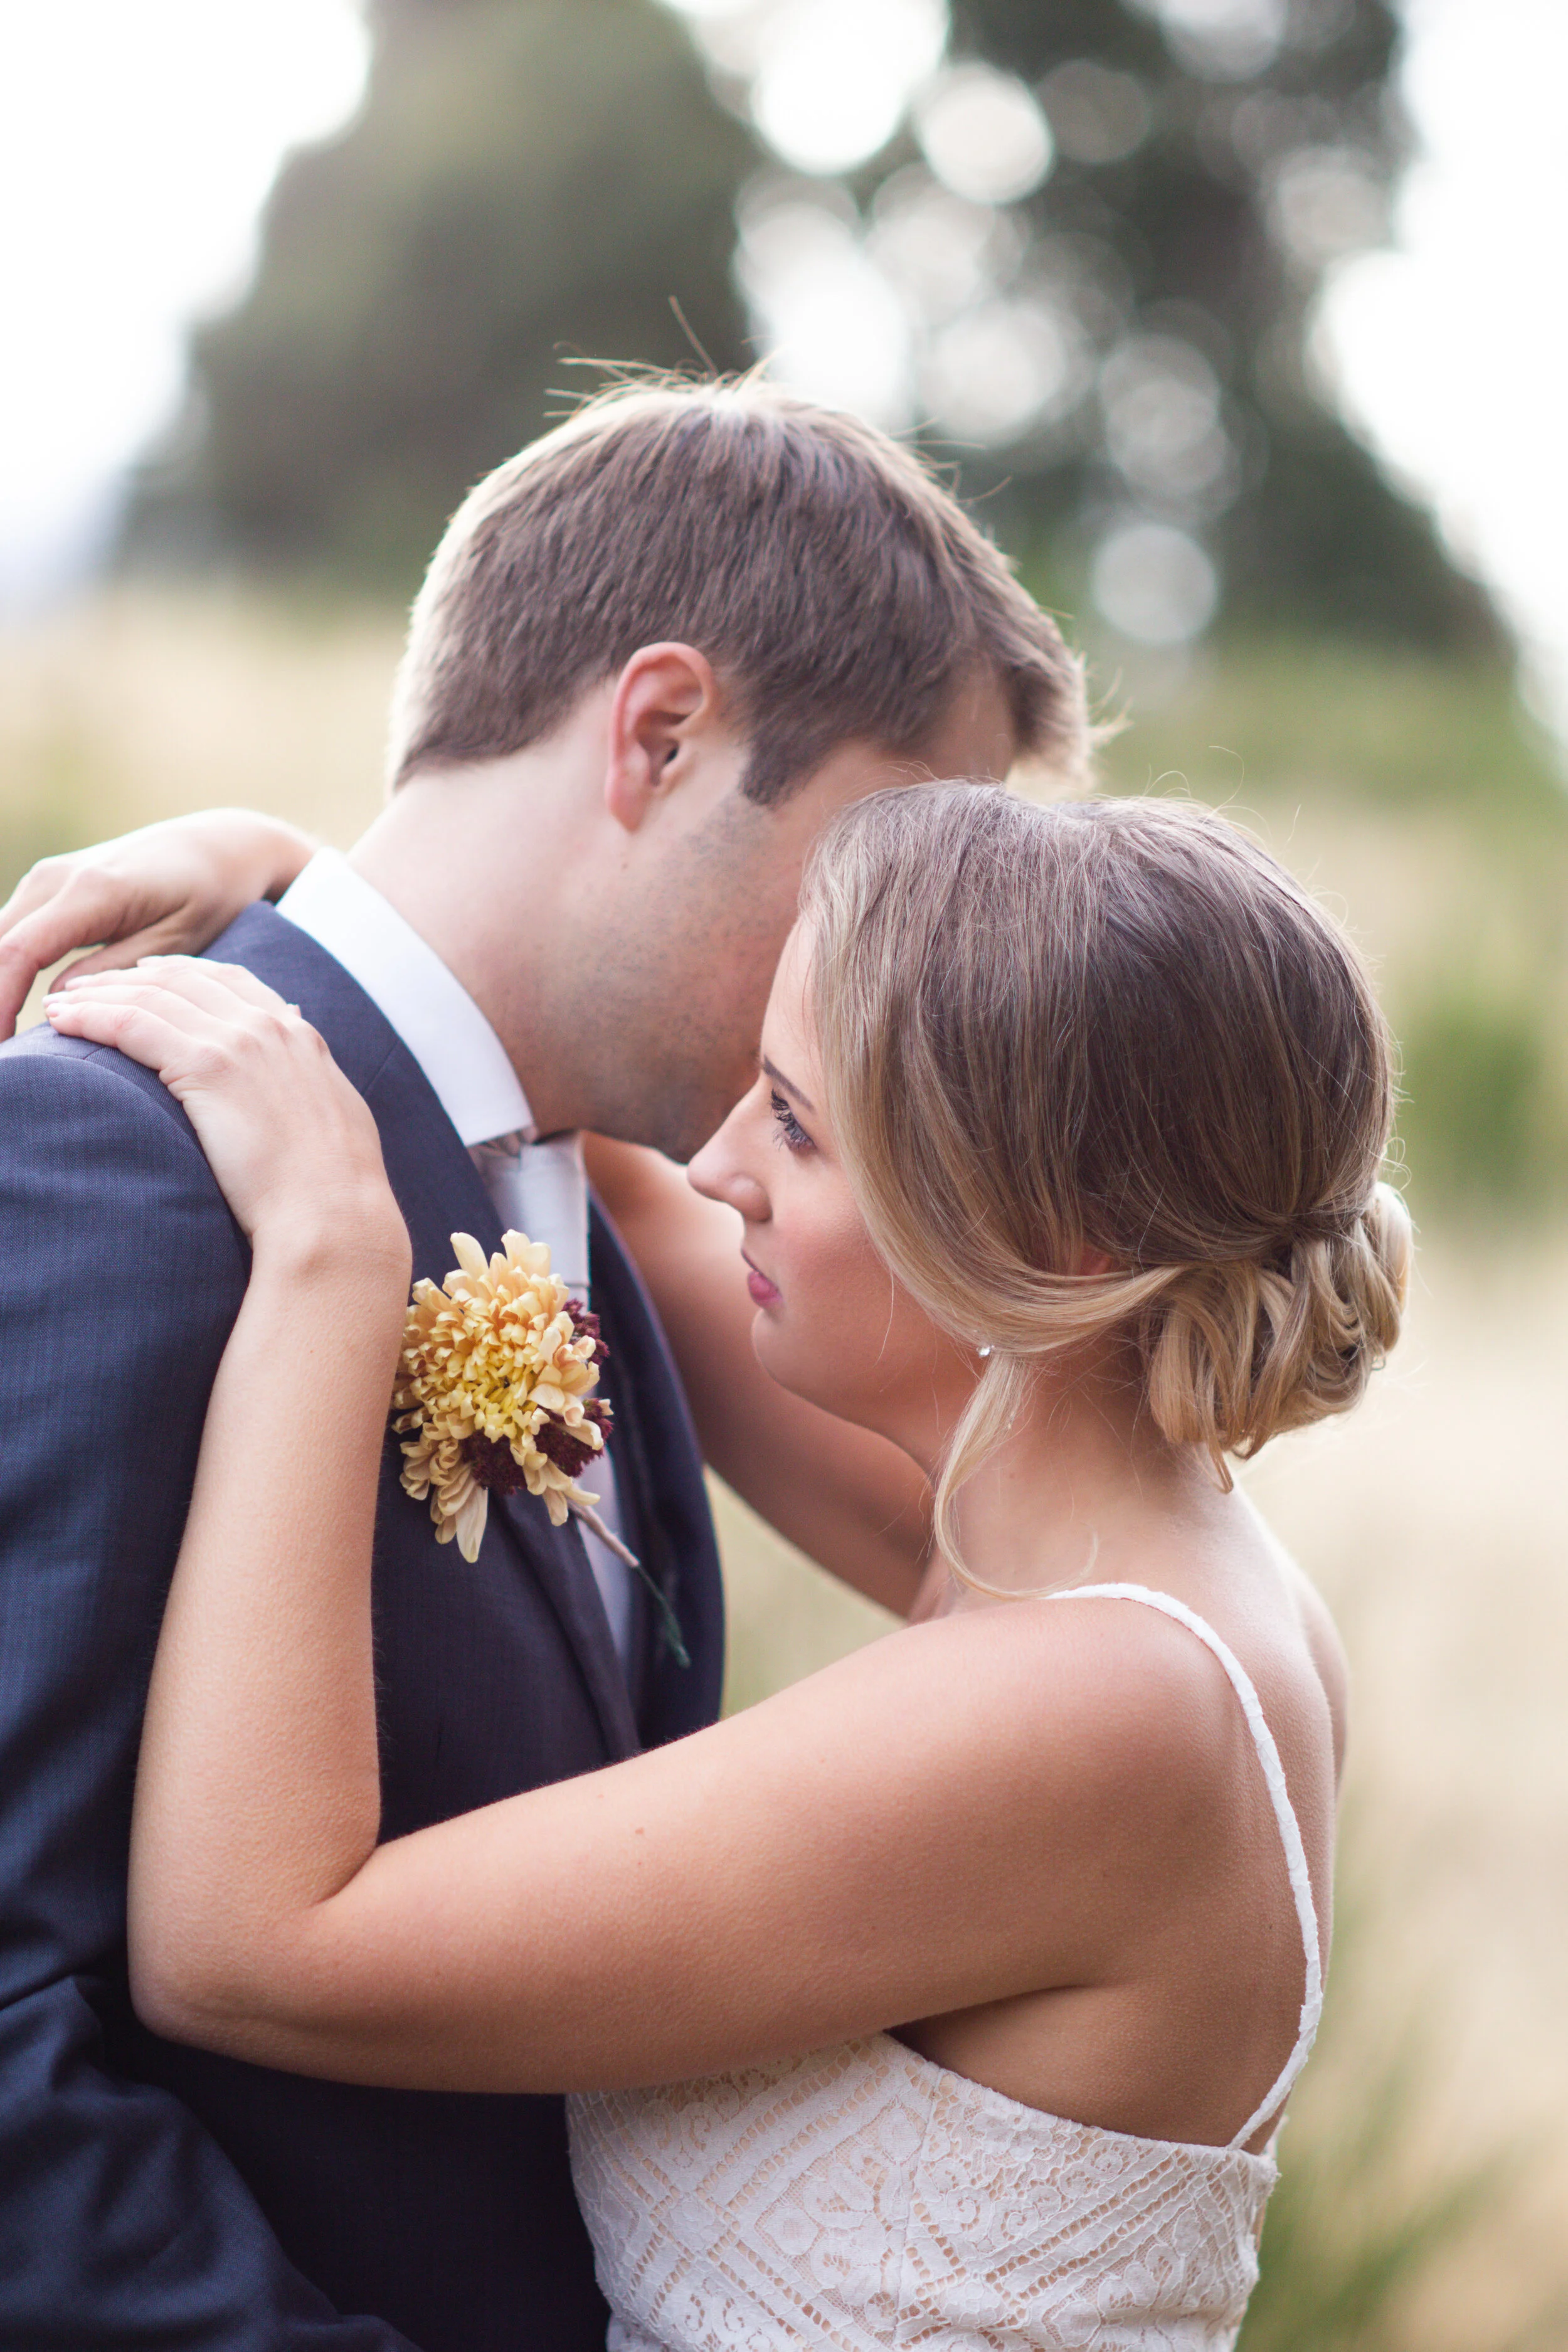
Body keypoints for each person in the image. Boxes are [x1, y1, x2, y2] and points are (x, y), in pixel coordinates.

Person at [38, 784, 1408, 2351]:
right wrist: (296, 879)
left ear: (1051, 1240)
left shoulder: (1105, 1705)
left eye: (799, 1126)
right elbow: (606, 1167)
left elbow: (248, 1955)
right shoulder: (1124, 1557)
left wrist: (331, 1256)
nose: (715, 1161)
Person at [0, 380, 1083, 2352]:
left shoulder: (614, 1202)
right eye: (874, 873)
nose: (895, 977)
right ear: (659, 734)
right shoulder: (112, 1162)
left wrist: (296, 873)